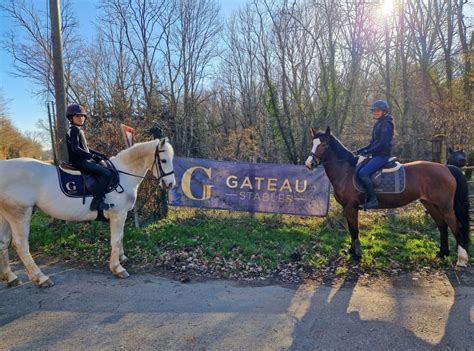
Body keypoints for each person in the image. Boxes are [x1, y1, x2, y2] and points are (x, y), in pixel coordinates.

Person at [66, 104, 114, 211]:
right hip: (79, 162)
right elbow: (75, 148)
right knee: (107, 174)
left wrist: (100, 155)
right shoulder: (74, 130)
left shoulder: (78, 130)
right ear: (71, 118)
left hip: (83, 160)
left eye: (82, 116)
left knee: (104, 168)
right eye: (77, 116)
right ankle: (96, 203)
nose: (81, 118)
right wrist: (92, 156)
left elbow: (86, 148)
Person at [356, 100, 394, 209]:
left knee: (363, 173)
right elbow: (373, 143)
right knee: (359, 169)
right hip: (376, 155)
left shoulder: (386, 124)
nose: (375, 113)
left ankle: (373, 200)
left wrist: (368, 152)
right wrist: (360, 150)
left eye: (378, 111)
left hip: (382, 155)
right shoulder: (379, 123)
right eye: (374, 111)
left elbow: (383, 144)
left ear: (384, 111)